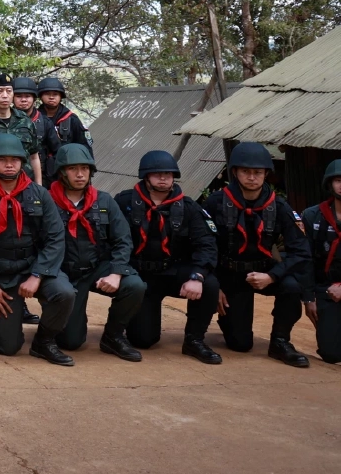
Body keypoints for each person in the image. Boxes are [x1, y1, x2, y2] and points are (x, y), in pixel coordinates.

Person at [0, 133, 75, 364]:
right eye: (2, 159)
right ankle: (2, 322)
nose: (9, 164)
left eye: (15, 159)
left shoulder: (39, 194)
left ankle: (44, 341)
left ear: (22, 162)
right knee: (8, 347)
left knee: (64, 293)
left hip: (33, 267)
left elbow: (55, 238)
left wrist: (38, 275)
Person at [202, 142, 310, 367]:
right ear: (235, 173)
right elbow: (204, 245)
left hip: (264, 269)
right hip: (229, 273)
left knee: (291, 286)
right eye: (246, 172)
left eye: (258, 172)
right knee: (240, 344)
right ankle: (228, 319)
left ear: (266, 174)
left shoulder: (279, 206)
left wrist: (272, 276)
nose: (252, 177)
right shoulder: (216, 203)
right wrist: (214, 285)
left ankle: (280, 342)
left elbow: (300, 251)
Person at [113, 151, 222, 364]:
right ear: (146, 177)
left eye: (168, 174)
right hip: (140, 275)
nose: (163, 178)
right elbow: (112, 240)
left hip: (172, 271)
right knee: (144, 340)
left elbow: (206, 245)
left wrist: (197, 276)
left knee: (209, 283)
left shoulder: (188, 206)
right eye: (157, 174)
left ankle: (194, 341)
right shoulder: (125, 201)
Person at [48, 144, 145, 360]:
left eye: (85, 168)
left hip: (97, 267)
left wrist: (116, 272)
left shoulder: (104, 201)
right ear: (62, 172)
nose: (80, 174)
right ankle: (58, 319)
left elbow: (123, 239)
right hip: (63, 271)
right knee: (71, 342)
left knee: (135, 285)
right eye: (73, 168)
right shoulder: (47, 201)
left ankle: (113, 336)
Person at [301, 160, 341, 364]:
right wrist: (309, 298)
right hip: (326, 290)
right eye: (338, 180)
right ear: (329, 184)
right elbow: (305, 260)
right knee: (331, 353)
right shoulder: (313, 216)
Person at [37, 77, 90, 177]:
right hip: (39, 171)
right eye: (47, 94)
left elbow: (84, 147)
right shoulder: (34, 119)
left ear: (61, 96)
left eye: (55, 94)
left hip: (65, 171)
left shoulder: (72, 119)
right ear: (41, 96)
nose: (51, 97)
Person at [12, 77, 60, 185]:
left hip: (40, 179)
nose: (23, 100)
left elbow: (57, 151)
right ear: (12, 98)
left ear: (34, 98)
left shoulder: (45, 122)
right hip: (10, 176)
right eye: (19, 96)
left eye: (28, 96)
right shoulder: (3, 121)